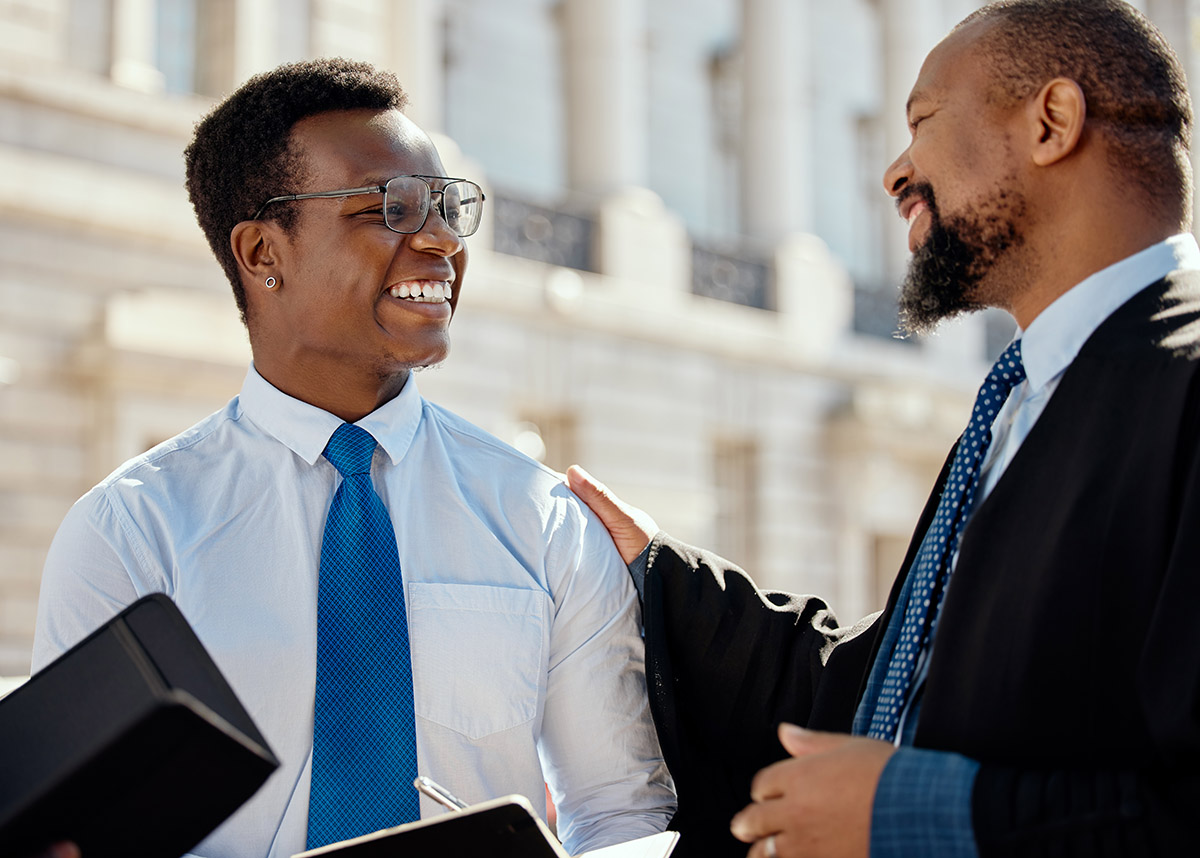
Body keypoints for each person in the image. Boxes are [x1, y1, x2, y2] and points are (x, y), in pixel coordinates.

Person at [568, 1, 1200, 856]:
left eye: (925, 122)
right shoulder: (1021, 398)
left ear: (1051, 122)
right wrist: (660, 571)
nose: (895, 172)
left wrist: (924, 811)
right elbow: (877, 697)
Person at [32, 58, 674, 858]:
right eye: (392, 208)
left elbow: (620, 816)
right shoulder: (128, 530)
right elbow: (79, 830)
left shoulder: (542, 521)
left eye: (447, 206)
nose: (441, 240)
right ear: (264, 250)